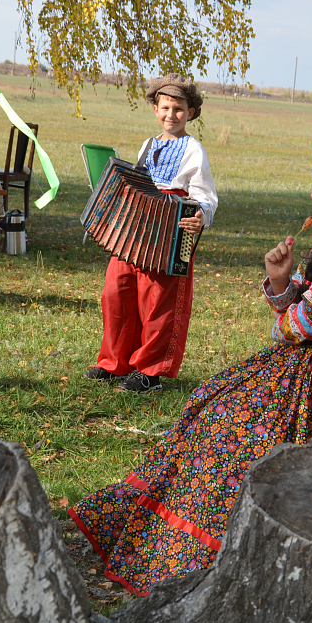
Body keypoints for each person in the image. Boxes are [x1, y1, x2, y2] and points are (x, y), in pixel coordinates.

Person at [70, 126, 312, 596]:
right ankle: (160, 530)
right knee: (211, 405)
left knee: (226, 426)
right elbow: (311, 311)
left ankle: (204, 548)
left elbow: (309, 325)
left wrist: (286, 318)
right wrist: (281, 282)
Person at [84, 74, 218, 393]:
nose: (171, 115)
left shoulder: (193, 150)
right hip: (137, 230)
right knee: (118, 292)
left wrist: (200, 215)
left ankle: (150, 372)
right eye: (165, 107)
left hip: (175, 232)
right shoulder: (149, 144)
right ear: (155, 108)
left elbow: (206, 196)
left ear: (191, 113)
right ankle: (115, 363)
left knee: (160, 302)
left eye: (179, 109)